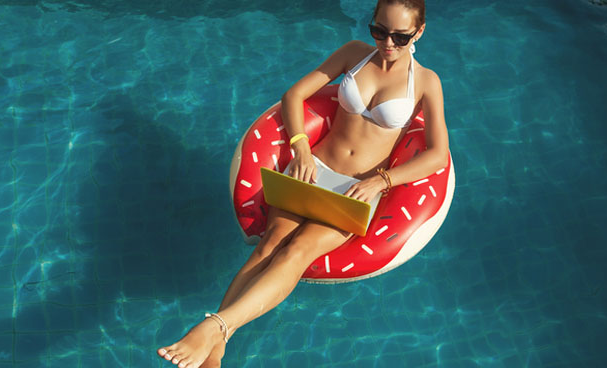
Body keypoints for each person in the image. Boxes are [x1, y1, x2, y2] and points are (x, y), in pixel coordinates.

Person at [157, 1, 448, 367]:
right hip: (313, 168)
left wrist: (382, 181)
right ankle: (216, 348)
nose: (387, 43)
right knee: (268, 248)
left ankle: (214, 327)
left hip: (358, 189)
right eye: (379, 31)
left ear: (418, 32)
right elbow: (294, 95)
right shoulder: (354, 54)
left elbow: (437, 154)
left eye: (400, 36)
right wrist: (301, 149)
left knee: (296, 253)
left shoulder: (425, 81)